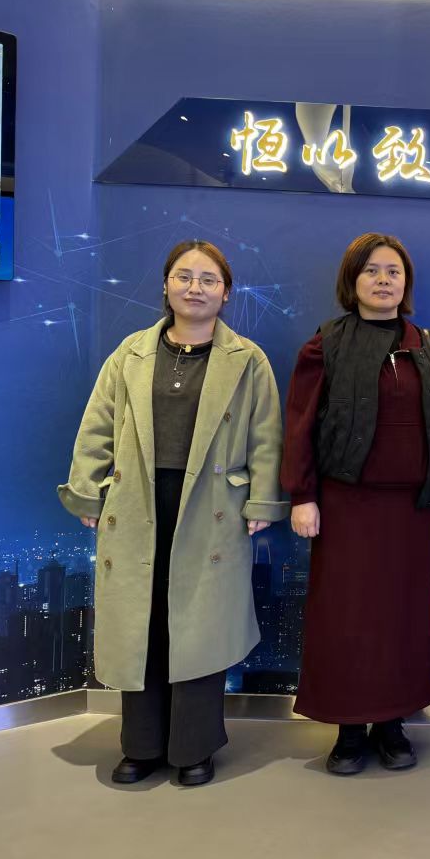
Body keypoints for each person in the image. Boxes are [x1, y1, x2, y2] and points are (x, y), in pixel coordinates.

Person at [58, 239, 287, 787]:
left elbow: (266, 435)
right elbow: (97, 425)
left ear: (226, 293)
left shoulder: (248, 359)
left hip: (213, 506)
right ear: (165, 285)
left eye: (209, 280)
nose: (195, 288)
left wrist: (261, 500)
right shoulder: (131, 353)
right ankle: (140, 745)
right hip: (137, 499)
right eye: (184, 277)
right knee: (144, 621)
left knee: (198, 625)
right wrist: (88, 492)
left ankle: (194, 748)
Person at [281, 232, 430, 775]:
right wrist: (303, 495)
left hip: (413, 511)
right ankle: (349, 731)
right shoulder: (324, 346)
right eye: (371, 270)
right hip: (345, 508)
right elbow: (299, 425)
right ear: (352, 280)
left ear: (406, 283)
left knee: (403, 622)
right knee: (346, 620)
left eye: (393, 271)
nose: (383, 280)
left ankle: (392, 725)